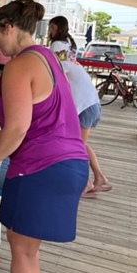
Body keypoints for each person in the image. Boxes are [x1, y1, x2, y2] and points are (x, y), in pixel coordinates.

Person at [0, 0, 89, 273]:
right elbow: (39, 115)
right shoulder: (47, 57)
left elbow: (18, 128)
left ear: (9, 27)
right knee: (24, 243)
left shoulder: (17, 66)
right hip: (69, 161)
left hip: (41, 166)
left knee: (24, 250)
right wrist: (1, 138)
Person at [54, 51, 111, 197]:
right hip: (94, 106)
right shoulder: (74, 65)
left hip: (86, 108)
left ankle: (87, 183)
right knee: (81, 144)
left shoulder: (63, 66)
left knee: (77, 146)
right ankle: (99, 177)